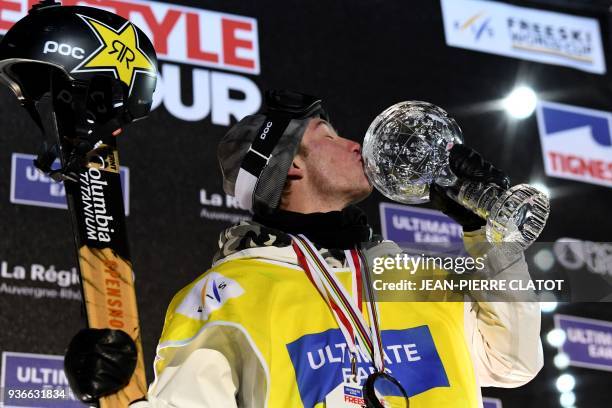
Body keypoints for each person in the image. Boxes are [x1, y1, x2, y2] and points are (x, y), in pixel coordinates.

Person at [65, 90, 543, 407]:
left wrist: (491, 237)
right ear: (289, 167)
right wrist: (113, 394)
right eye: (329, 137)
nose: (357, 144)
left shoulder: (415, 274)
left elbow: (514, 362)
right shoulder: (227, 293)